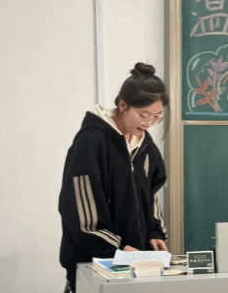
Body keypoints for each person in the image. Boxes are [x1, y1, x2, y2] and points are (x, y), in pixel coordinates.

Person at [58, 62, 169, 292]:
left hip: (135, 263)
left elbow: (150, 193)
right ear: (123, 105)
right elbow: (79, 210)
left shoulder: (144, 144)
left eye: (156, 117)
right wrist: (115, 250)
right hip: (96, 264)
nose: (149, 123)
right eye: (143, 115)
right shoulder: (91, 142)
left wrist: (154, 230)